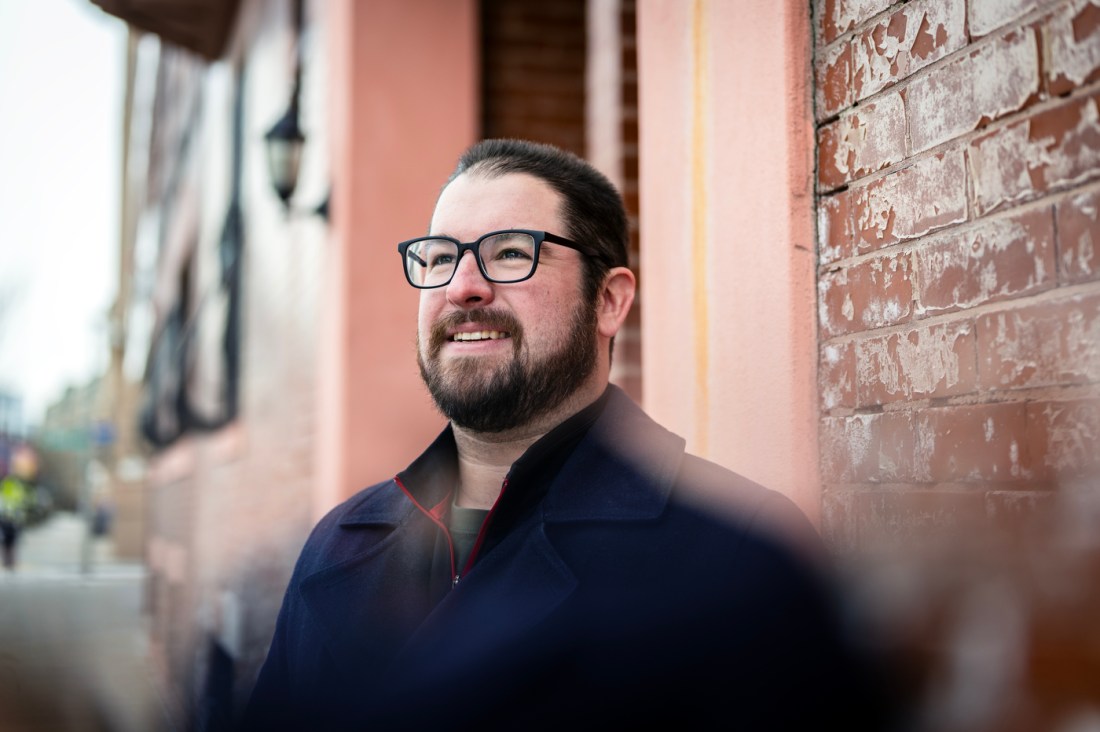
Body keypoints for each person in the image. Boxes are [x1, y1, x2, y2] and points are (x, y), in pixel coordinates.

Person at [243, 139, 899, 731]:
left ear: (609, 301)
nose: (462, 287)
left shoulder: (736, 558)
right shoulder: (336, 546)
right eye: (440, 258)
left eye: (509, 253)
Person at [0, 471, 29, 570]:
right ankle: (11, 561)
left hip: (5, 518)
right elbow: (22, 502)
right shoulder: (17, 486)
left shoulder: (4, 486)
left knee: (6, 541)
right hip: (14, 519)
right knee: (12, 541)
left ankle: (6, 561)